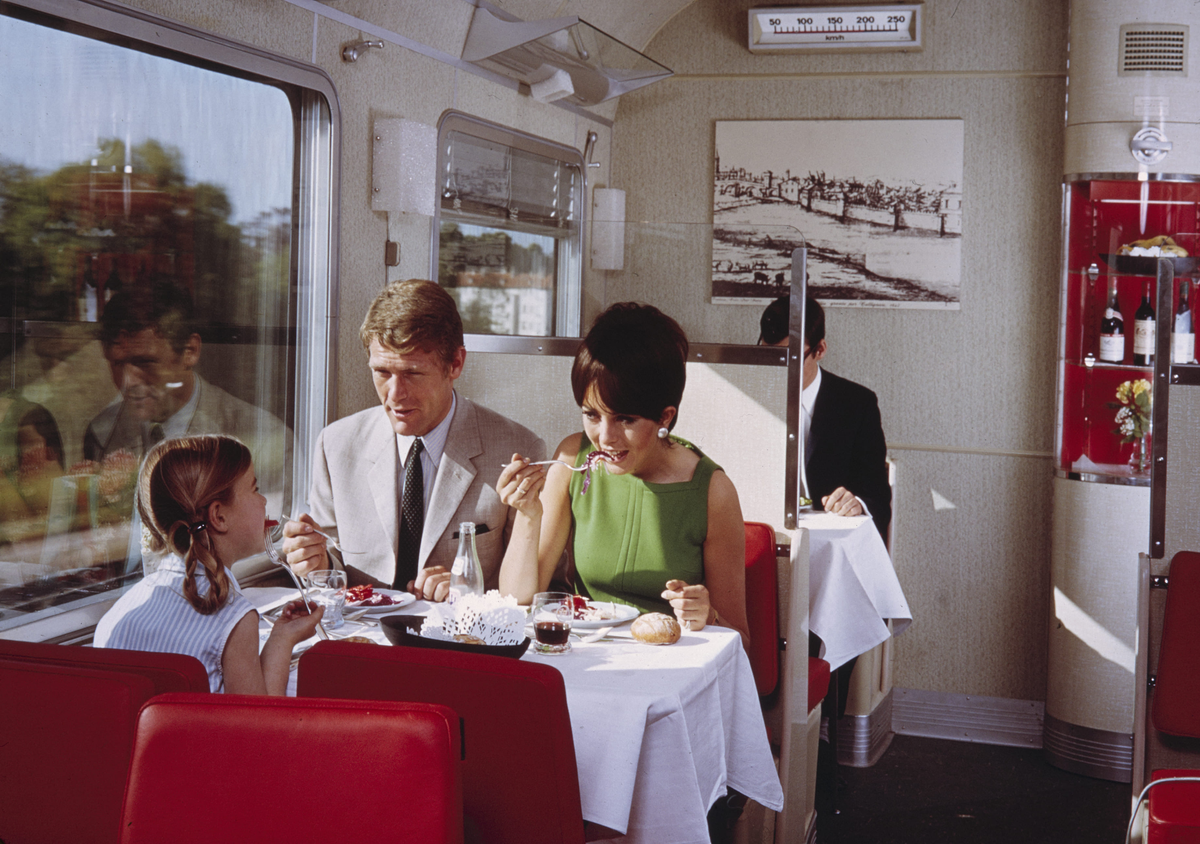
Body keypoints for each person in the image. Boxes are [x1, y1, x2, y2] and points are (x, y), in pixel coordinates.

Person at [496, 302, 750, 646]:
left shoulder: (711, 491)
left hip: (673, 669)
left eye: (625, 419)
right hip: (586, 660)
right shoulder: (572, 458)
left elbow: (743, 645)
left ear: (665, 417)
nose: (604, 437)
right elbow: (517, 604)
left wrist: (710, 617)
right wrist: (528, 515)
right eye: (591, 415)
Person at [281, 279, 545, 601]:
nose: (395, 394)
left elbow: (527, 593)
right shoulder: (336, 446)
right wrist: (317, 562)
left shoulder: (517, 449)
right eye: (382, 372)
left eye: (412, 373)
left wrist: (470, 592)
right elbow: (332, 567)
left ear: (456, 364)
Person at [81, 280, 292, 572]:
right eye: (117, 363)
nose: (128, 382)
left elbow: (273, 550)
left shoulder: (263, 436)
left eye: (145, 363)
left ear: (190, 351)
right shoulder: (103, 432)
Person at [94, 435, 322, 693]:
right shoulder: (233, 616)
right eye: (255, 489)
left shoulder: (123, 607)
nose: (264, 501)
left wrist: (282, 638)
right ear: (219, 516)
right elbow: (259, 723)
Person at [795, 297, 891, 539]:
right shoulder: (750, 397)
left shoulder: (857, 404)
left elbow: (878, 498)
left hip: (830, 540)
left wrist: (856, 503)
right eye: (771, 356)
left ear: (820, 350)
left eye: (793, 359)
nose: (781, 369)